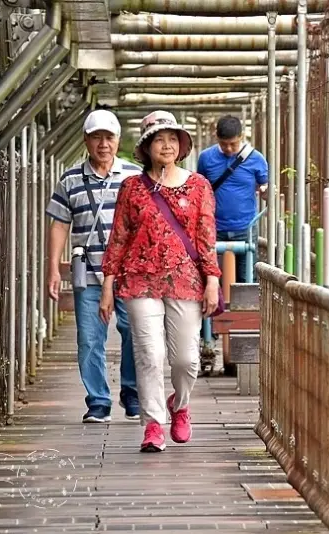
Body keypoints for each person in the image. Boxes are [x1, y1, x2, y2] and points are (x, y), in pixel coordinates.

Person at [100, 110, 221, 453]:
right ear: (146, 147)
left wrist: (212, 279)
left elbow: (206, 236)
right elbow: (119, 237)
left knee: (186, 359)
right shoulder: (132, 188)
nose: (166, 145)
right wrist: (108, 285)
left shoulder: (198, 186)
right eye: (159, 139)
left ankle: (179, 405)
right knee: (149, 354)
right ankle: (153, 423)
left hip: (186, 280)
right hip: (139, 280)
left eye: (172, 139)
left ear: (181, 146)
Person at [45, 109, 141, 424]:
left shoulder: (134, 176)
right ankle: (98, 401)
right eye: (97, 137)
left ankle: (131, 391)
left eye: (109, 137)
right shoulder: (70, 179)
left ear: (118, 140)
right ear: (86, 140)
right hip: (88, 271)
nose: (103, 144)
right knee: (89, 337)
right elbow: (59, 224)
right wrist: (52, 270)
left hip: (128, 272)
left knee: (133, 331)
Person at [197, 115, 268, 284]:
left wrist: (266, 191)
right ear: (217, 138)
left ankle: (245, 311)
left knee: (246, 278)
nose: (228, 148)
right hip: (213, 228)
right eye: (224, 144)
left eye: (233, 144)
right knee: (213, 279)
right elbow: (199, 189)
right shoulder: (206, 158)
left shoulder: (256, 159)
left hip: (246, 227)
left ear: (241, 137)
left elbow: (265, 186)